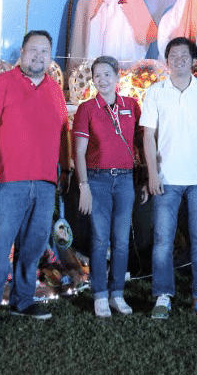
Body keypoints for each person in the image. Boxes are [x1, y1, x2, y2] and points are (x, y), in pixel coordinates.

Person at [0, 30, 69, 329]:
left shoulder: (55, 90)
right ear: (22, 52)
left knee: (33, 247)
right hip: (6, 181)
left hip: (43, 183)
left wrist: (64, 170)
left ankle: (23, 301)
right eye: (33, 50)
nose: (38, 56)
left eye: (44, 52)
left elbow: (63, 131)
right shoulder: (2, 84)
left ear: (50, 58)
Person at [140, 36, 197, 319]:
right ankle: (163, 295)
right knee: (163, 240)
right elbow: (148, 137)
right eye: (173, 55)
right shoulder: (155, 92)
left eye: (184, 55)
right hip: (166, 180)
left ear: (192, 60)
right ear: (167, 61)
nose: (179, 60)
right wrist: (152, 174)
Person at [72, 55, 142, 317]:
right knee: (100, 240)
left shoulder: (132, 106)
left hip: (125, 179)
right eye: (97, 75)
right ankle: (100, 295)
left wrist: (144, 179)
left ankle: (117, 294)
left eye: (107, 74)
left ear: (117, 76)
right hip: (97, 180)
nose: (102, 80)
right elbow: (78, 152)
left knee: (121, 241)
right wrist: (84, 186)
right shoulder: (87, 109)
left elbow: (139, 145)